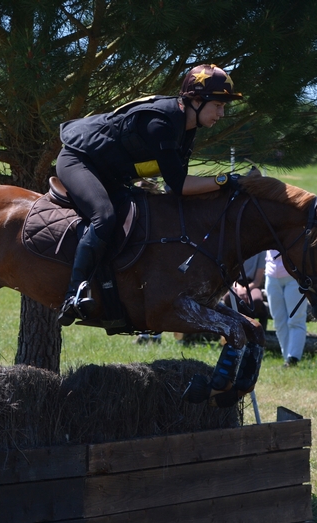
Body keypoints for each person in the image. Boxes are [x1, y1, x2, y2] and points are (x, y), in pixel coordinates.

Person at [54, 64, 243, 326]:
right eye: (219, 105)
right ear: (196, 101)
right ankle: (73, 294)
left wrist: (223, 184)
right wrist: (224, 180)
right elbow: (177, 185)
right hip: (78, 159)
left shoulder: (187, 127)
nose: (222, 113)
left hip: (108, 173)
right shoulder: (161, 123)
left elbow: (174, 187)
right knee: (104, 216)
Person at [264, 251, 307, 367]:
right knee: (278, 321)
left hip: (295, 275)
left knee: (296, 319)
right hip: (271, 274)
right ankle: (287, 357)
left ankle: (293, 358)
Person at [223, 251, 269, 330]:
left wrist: (246, 290)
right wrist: (239, 288)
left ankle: (259, 329)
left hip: (253, 284)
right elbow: (229, 275)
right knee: (228, 298)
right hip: (235, 283)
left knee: (256, 301)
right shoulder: (236, 246)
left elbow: (257, 281)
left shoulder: (262, 252)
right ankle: (233, 327)